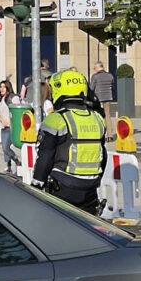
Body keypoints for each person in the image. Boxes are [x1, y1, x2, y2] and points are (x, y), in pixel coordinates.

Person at [31, 70, 107, 213]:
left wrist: (37, 184)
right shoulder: (97, 118)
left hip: (63, 187)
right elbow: (103, 155)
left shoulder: (56, 119)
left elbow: (46, 155)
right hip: (91, 188)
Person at [89, 62, 116, 137]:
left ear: (98, 67)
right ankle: (110, 135)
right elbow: (113, 87)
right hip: (108, 98)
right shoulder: (110, 75)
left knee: (98, 116)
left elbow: (91, 88)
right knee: (107, 115)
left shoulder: (95, 76)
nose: (94, 70)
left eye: (94, 68)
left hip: (98, 98)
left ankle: (100, 134)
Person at [0, 80, 16, 173]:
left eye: (4, 87)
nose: (2, 89)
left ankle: (17, 160)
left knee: (6, 147)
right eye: (0, 87)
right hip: (4, 127)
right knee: (4, 148)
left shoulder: (12, 98)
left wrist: (9, 122)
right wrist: (2, 120)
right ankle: (8, 165)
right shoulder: (1, 99)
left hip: (11, 127)